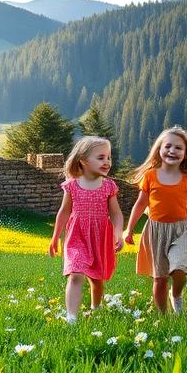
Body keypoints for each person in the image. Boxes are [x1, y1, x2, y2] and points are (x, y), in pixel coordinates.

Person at [123, 126, 187, 314]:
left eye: (178, 148)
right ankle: (163, 317)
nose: (172, 150)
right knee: (159, 278)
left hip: (181, 231)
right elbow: (140, 205)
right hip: (156, 231)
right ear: (159, 150)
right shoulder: (150, 176)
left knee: (180, 270)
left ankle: (176, 294)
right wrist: (129, 229)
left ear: (185, 154)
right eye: (168, 146)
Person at [49, 136, 124, 323]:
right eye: (101, 158)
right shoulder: (72, 186)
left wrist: (118, 232)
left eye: (108, 157)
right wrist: (55, 236)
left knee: (97, 280)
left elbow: (116, 213)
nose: (107, 162)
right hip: (77, 235)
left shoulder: (108, 186)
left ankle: (95, 309)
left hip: (100, 236)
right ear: (83, 160)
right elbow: (64, 211)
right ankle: (71, 318)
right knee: (75, 274)